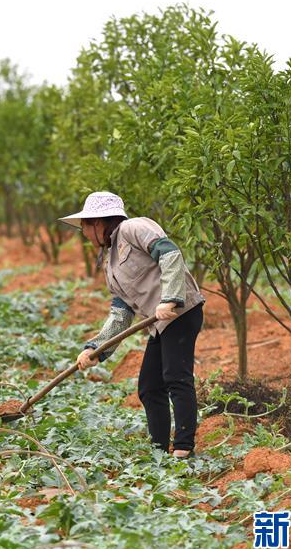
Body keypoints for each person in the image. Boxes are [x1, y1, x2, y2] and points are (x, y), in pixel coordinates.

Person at [58, 191, 205, 459]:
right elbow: (121, 312)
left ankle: (184, 449)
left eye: (85, 228)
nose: (84, 235)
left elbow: (169, 253)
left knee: (176, 377)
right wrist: (96, 349)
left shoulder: (133, 227)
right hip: (159, 324)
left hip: (179, 313)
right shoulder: (108, 261)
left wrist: (171, 299)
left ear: (99, 223)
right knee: (149, 387)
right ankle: (159, 450)